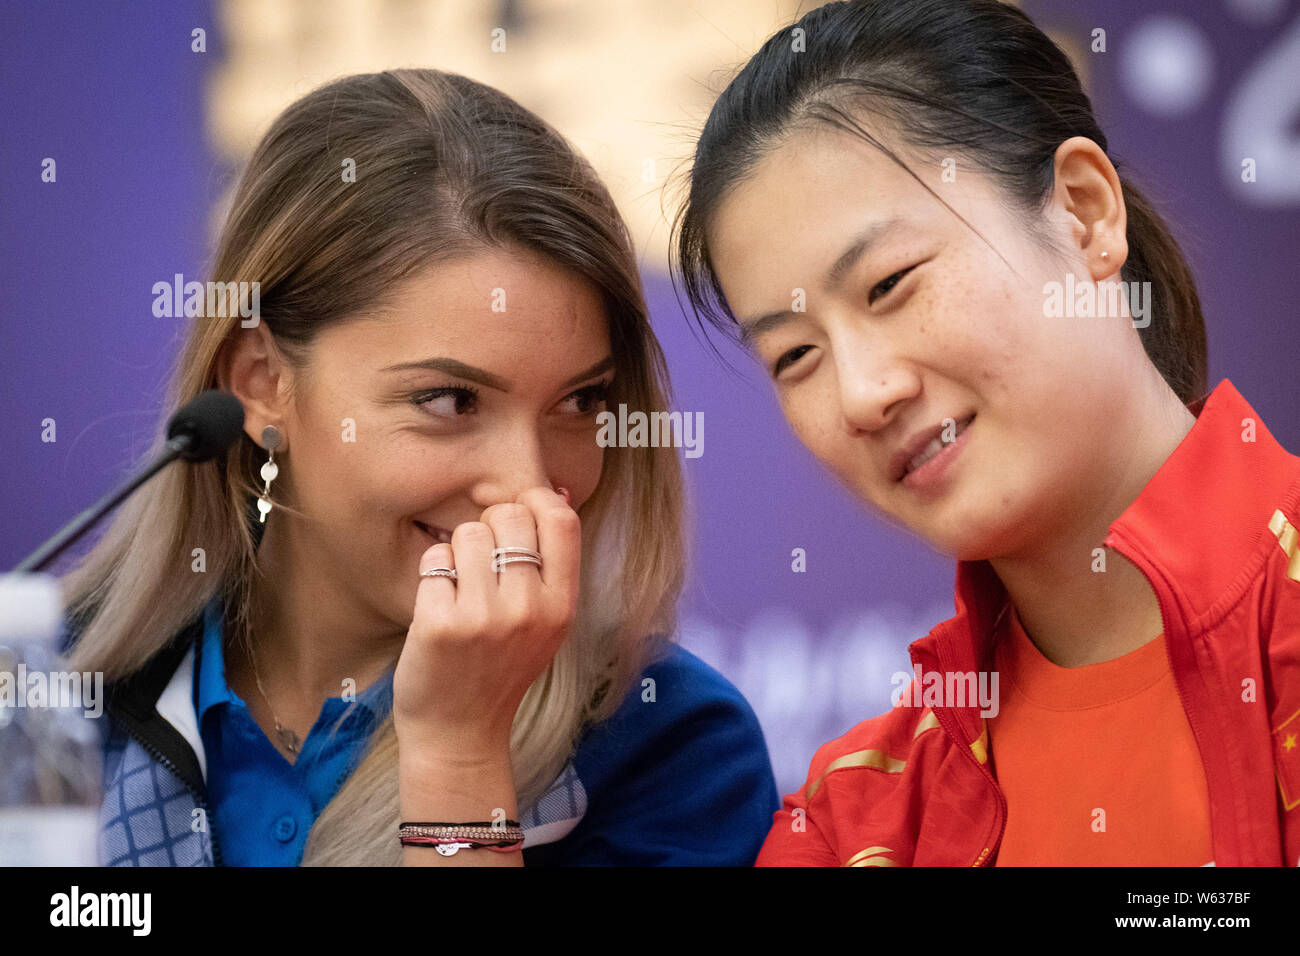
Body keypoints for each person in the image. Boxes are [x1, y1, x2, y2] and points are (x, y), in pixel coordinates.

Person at [60, 67, 778, 866]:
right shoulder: (43, 694)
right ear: (261, 383)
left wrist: (461, 755)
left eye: (579, 403)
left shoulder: (670, 740)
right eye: (449, 401)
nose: (529, 485)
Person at [672, 0, 1300, 865]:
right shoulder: (861, 820)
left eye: (890, 284)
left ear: (1083, 214)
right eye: (794, 356)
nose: (863, 394)